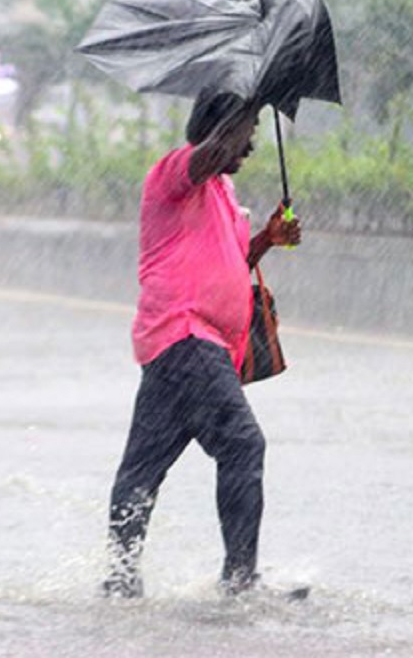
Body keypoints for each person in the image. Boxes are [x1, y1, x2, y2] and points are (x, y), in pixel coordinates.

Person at [103, 91, 302, 599]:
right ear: (220, 128)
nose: (251, 146)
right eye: (247, 134)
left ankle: (121, 580)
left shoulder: (223, 195)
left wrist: (266, 240)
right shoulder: (175, 174)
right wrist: (252, 100)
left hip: (179, 348)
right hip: (188, 337)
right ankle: (240, 582)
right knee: (242, 443)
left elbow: (230, 263)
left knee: (141, 470)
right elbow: (211, 153)